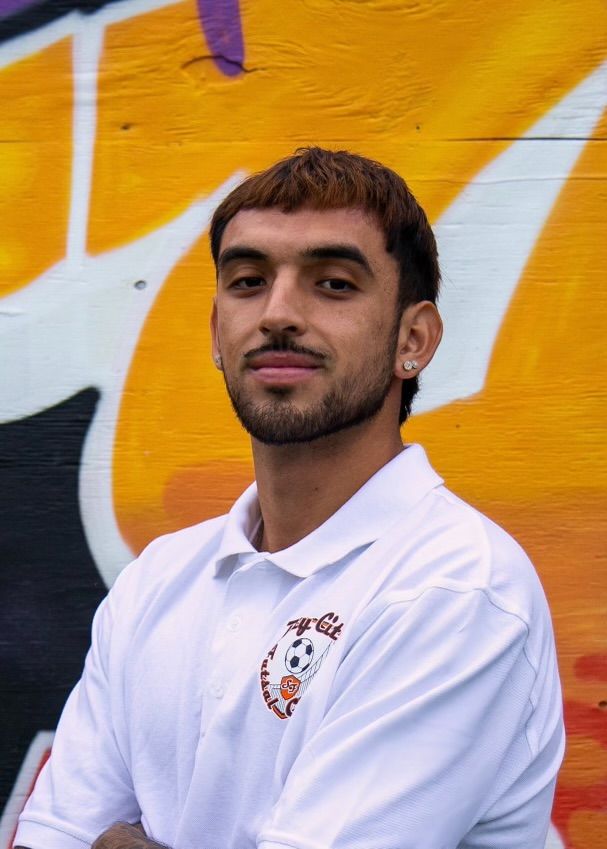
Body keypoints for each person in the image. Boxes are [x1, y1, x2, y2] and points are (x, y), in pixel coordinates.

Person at [15, 147, 564, 849]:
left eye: (332, 284)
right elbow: (52, 836)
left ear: (414, 338)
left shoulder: (455, 589)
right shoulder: (157, 581)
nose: (277, 313)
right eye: (248, 282)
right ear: (217, 333)